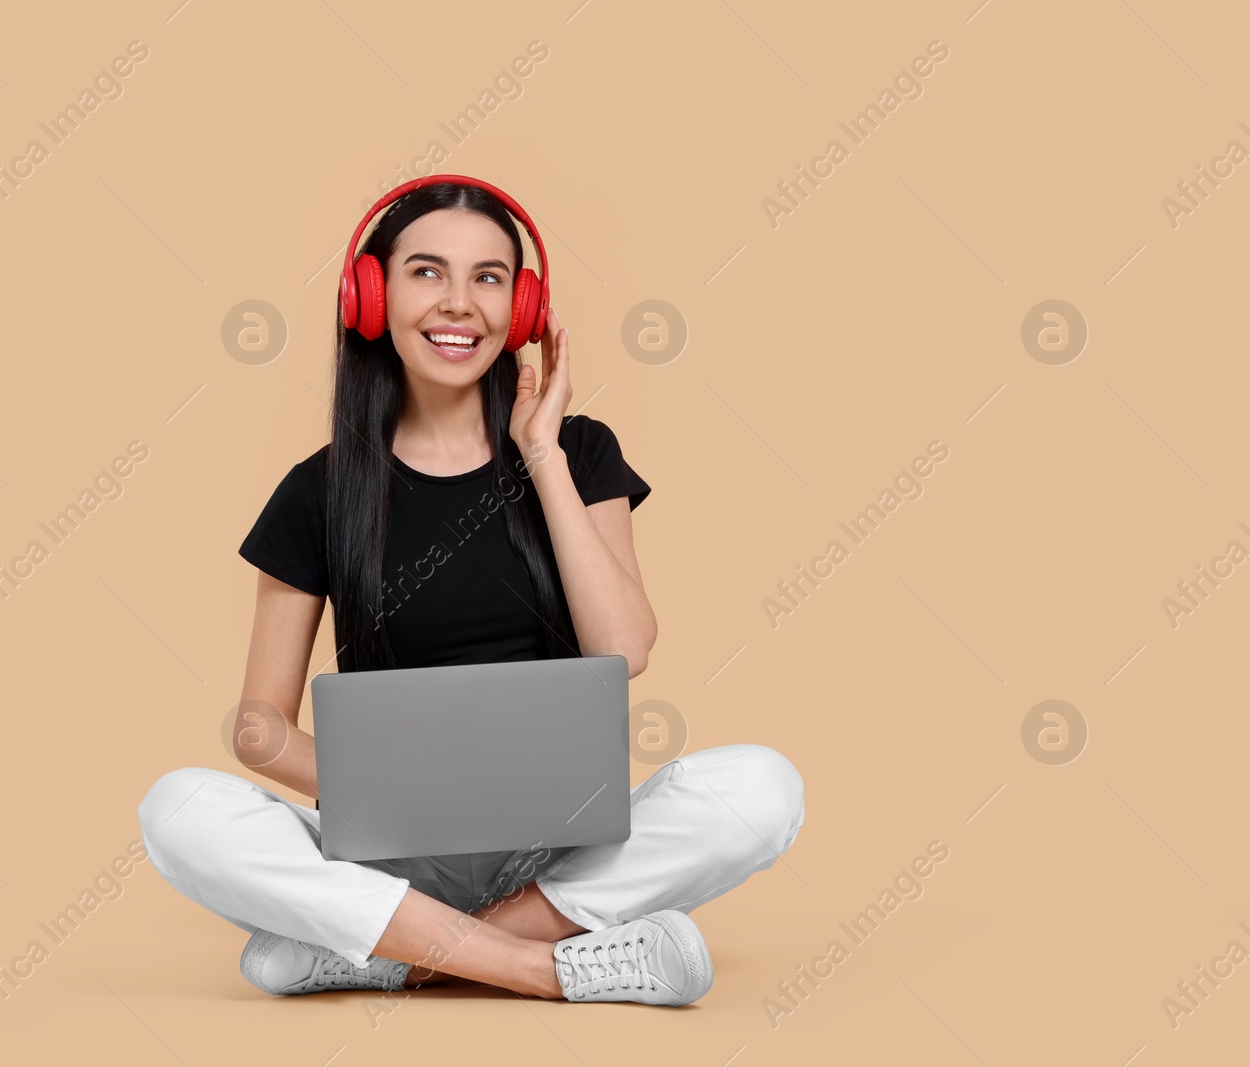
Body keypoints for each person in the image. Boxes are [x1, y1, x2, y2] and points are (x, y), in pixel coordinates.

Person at [137, 177, 805, 1006]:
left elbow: (624, 648)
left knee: (762, 787)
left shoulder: (581, 452)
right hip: (387, 848)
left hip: (553, 853)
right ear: (371, 296)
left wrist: (542, 451)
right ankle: (540, 966)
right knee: (178, 810)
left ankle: (388, 950)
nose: (460, 304)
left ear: (521, 309)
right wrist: (399, 789)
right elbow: (259, 728)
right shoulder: (318, 492)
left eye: (489, 278)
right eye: (426, 273)